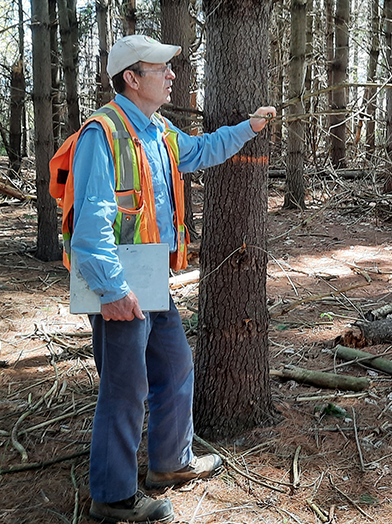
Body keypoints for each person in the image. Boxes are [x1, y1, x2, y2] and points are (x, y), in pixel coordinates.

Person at [51, 34, 276, 523]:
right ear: (132, 78)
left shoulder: (158, 131)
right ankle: (111, 497)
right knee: (124, 387)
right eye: (161, 69)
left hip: (150, 278)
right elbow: (90, 223)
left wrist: (248, 128)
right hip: (119, 285)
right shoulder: (102, 133)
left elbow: (200, 150)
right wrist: (112, 292)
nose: (173, 75)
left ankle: (170, 463)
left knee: (175, 365)